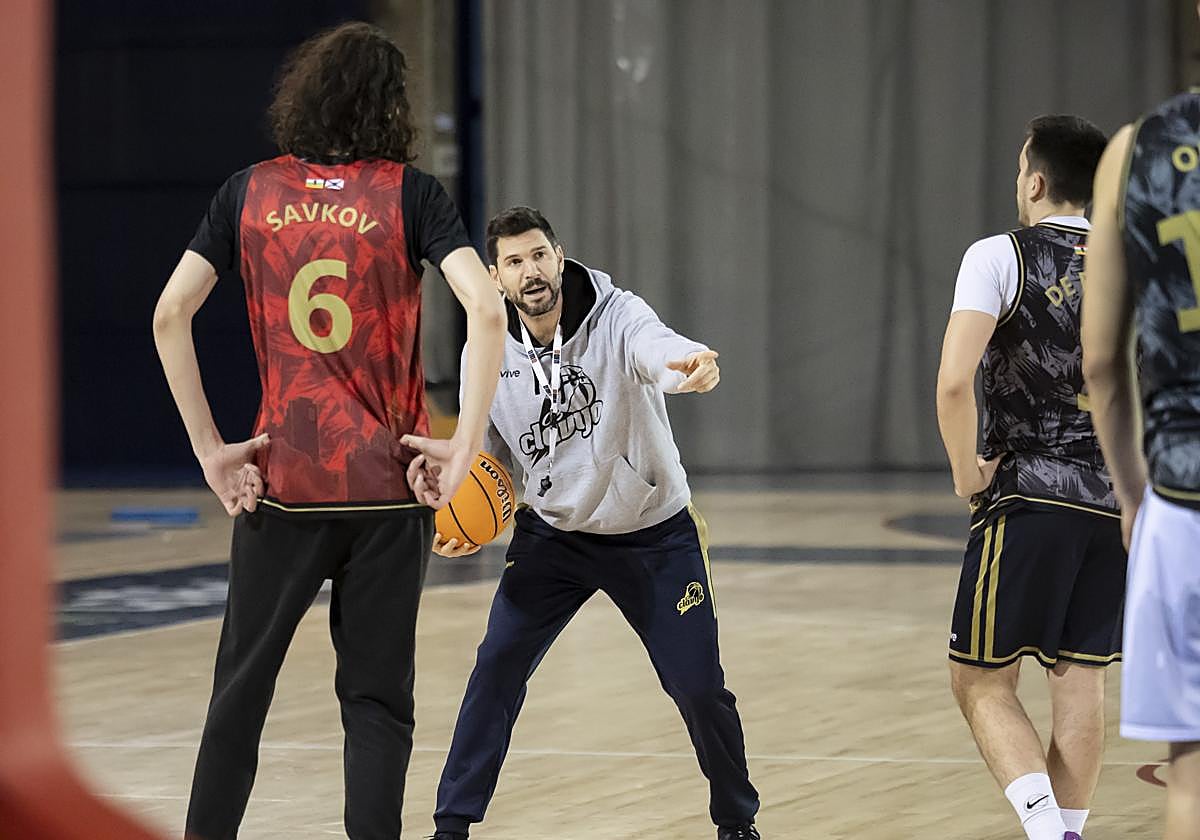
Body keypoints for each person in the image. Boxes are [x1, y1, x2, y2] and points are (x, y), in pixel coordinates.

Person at [151, 22, 505, 840]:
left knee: (240, 696)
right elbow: (485, 308)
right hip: (391, 488)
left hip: (286, 484)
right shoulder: (412, 195)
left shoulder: (247, 192)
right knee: (377, 702)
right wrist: (465, 445)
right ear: (392, 107)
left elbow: (170, 312)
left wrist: (211, 450)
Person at [426, 206, 760, 840]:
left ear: (560, 255)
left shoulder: (616, 315)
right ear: (496, 277)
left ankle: (737, 823)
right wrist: (460, 513)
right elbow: (484, 448)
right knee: (495, 667)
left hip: (654, 533)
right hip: (552, 535)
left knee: (697, 686)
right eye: (516, 262)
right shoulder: (486, 348)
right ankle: (451, 827)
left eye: (540, 256)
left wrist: (689, 366)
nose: (532, 272)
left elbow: (656, 347)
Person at [935, 115, 1119, 840]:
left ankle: (1051, 835)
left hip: (1031, 494)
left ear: (1035, 181)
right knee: (1080, 679)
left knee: (980, 678)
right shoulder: (1136, 265)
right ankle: (1069, 829)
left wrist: (965, 474)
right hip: (1116, 499)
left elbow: (955, 383)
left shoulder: (999, 255)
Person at [1082, 72, 1200, 840]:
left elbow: (1099, 363)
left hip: (1184, 498)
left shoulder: (1138, 147)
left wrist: (1131, 493)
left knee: (1190, 773)